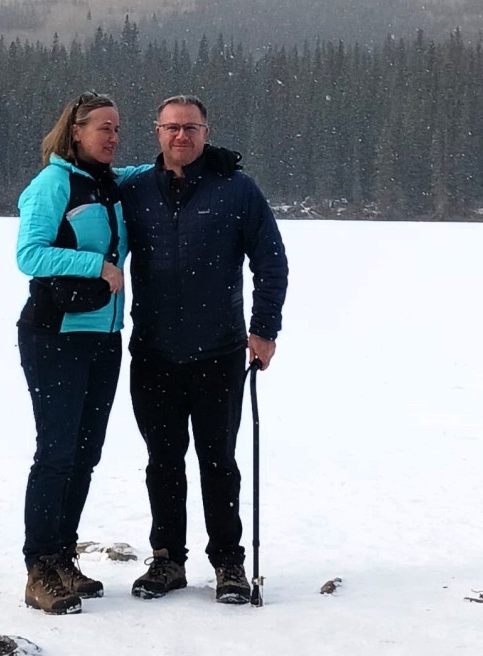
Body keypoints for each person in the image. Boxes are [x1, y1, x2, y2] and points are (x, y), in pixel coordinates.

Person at [121, 94, 288, 605]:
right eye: (172, 128)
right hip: (153, 351)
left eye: (190, 128)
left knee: (219, 460)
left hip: (217, 352)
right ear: (157, 132)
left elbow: (271, 260)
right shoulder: (135, 191)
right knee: (163, 461)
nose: (181, 137)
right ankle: (167, 559)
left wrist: (264, 329)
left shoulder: (236, 190)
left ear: (205, 131)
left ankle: (228, 563)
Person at [15, 91, 145, 615]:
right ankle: (39, 568)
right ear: (76, 131)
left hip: (103, 337)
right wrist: (98, 267)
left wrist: (196, 156)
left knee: (85, 455)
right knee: (57, 453)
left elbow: (151, 170)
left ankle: (64, 555)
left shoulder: (109, 184)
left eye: (117, 129)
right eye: (103, 129)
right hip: (55, 336)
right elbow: (28, 253)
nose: (112, 137)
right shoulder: (53, 184)